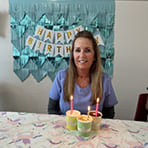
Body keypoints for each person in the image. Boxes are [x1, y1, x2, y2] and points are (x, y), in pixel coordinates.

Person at [48, 30, 118, 118]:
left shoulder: (104, 80)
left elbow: (109, 115)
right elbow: (51, 110)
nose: (82, 55)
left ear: (94, 56)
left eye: (87, 50)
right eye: (77, 50)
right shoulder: (61, 76)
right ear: (72, 55)